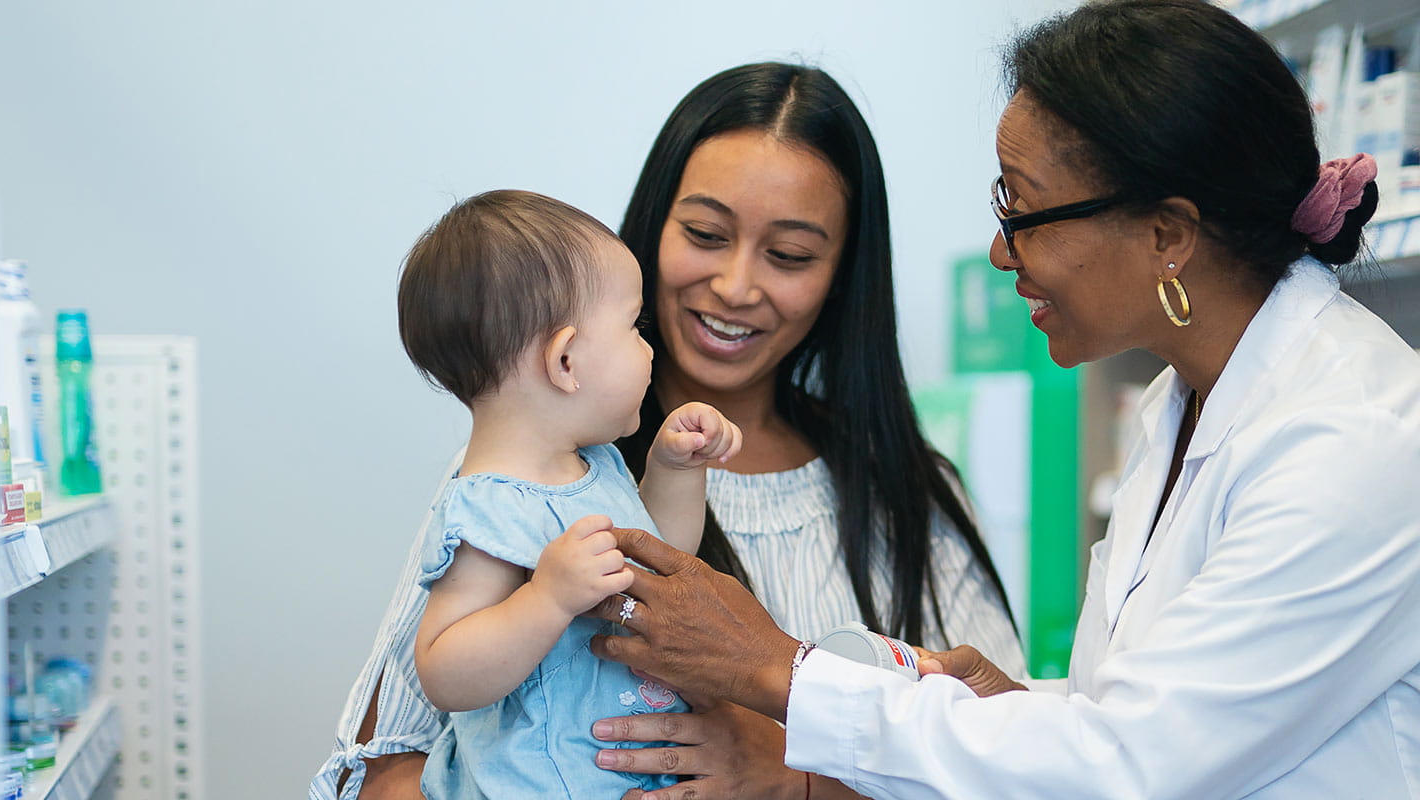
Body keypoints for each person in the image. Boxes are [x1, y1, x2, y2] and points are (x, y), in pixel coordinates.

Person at [584, 2, 1420, 798]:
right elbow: (1142, 716)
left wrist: (777, 672)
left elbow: (1134, 769)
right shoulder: (1184, 399)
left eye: (1022, 210)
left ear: (1168, 234)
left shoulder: (1351, 442)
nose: (997, 249)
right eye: (705, 234)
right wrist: (1024, 707)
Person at [308, 63, 1024, 800]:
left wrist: (790, 776)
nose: (737, 286)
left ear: (843, 275)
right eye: (707, 233)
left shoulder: (910, 494)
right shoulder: (529, 475)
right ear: (654, 229)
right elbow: (379, 766)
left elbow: (1007, 764)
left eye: (789, 255)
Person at [393, 189, 743, 797]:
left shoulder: (597, 466)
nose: (648, 347)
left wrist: (674, 469)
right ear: (564, 361)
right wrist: (547, 600)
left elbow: (660, 560)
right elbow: (445, 670)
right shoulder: (488, 507)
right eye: (634, 327)